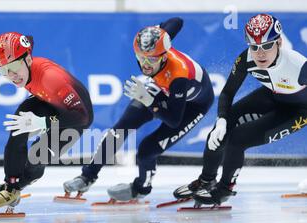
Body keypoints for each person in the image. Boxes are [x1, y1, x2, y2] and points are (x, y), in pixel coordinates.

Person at [63, 17, 214, 202]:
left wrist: (150, 101)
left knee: (147, 150)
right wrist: (156, 30)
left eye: (151, 59)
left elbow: (174, 120)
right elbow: (177, 21)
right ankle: (87, 176)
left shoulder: (179, 76)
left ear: (164, 56)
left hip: (191, 105)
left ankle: (141, 188)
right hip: (161, 89)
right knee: (121, 128)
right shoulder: (157, 42)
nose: (145, 65)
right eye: (140, 57)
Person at [174, 14, 307, 205]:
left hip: (298, 111)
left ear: (278, 43)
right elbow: (228, 92)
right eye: (254, 47)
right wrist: (221, 119)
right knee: (221, 128)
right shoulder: (246, 59)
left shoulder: (299, 66)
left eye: (267, 46)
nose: (260, 53)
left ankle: (224, 189)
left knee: (238, 139)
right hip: (272, 95)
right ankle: (206, 180)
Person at [0, 32, 93, 209]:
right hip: (49, 101)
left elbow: (82, 117)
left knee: (37, 154)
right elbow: (29, 39)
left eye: (13, 67)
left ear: (28, 59)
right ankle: (10, 186)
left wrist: (43, 123)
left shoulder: (50, 78)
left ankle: (16, 188)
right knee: (18, 126)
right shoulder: (24, 66)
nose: (11, 75)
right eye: (3, 71)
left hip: (75, 118)